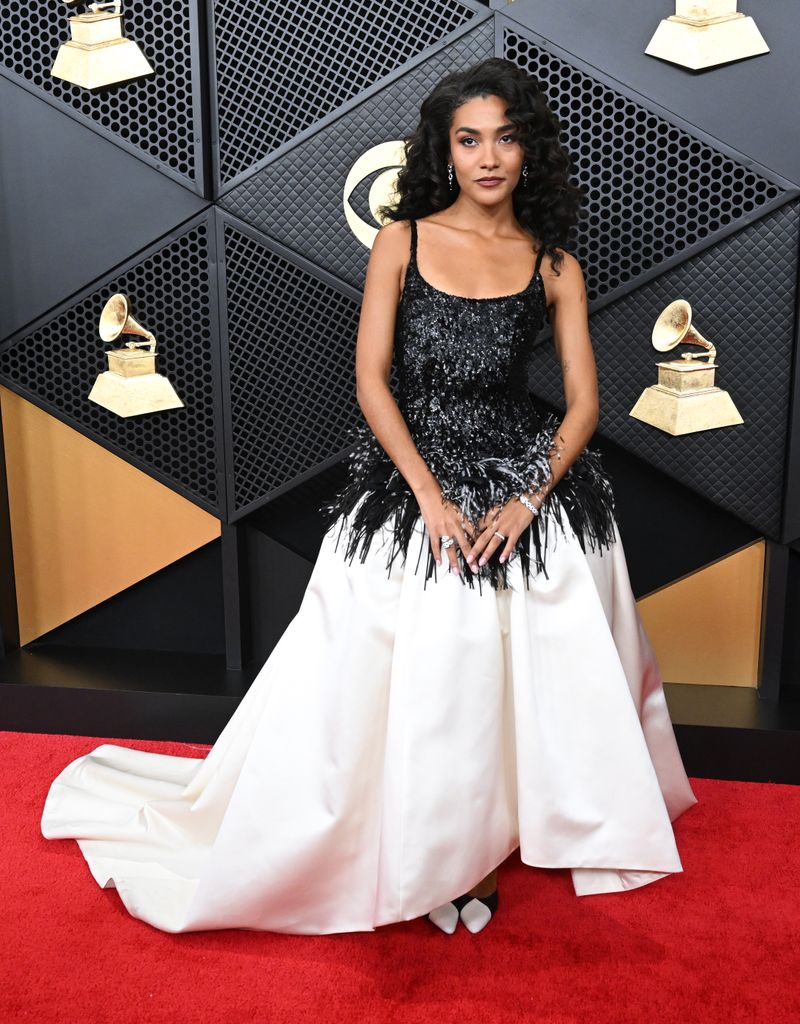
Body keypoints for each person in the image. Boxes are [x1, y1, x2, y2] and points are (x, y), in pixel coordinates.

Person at [40, 57, 698, 936]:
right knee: (435, 654)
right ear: (445, 150)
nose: (488, 157)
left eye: (505, 138)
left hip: (523, 477)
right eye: (470, 140)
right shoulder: (403, 241)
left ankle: (501, 829)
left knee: (536, 635)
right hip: (413, 478)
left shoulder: (553, 265)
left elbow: (582, 405)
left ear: (528, 150)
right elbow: (370, 380)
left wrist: (529, 499)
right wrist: (428, 497)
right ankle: (428, 844)